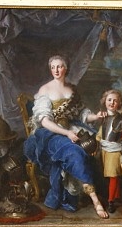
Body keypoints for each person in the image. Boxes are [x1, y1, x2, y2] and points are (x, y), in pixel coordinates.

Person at [22, 55, 109, 218]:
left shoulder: (72, 90)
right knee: (74, 152)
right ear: (50, 69)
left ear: (66, 68)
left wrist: (96, 117)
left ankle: (90, 193)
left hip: (71, 128)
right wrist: (67, 133)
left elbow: (82, 114)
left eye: (60, 66)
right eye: (53, 67)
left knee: (94, 144)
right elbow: (45, 121)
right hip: (49, 134)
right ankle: (95, 199)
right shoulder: (45, 90)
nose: (56, 70)